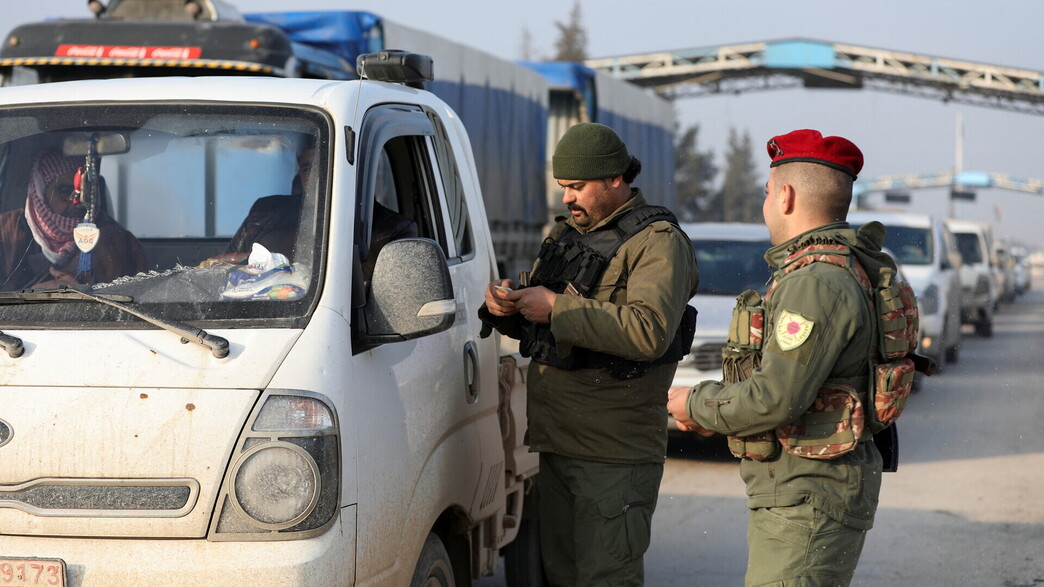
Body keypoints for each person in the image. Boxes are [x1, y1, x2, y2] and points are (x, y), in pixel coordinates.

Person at [667, 129, 901, 586]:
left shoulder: (815, 282)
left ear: (786, 195)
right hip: (804, 492)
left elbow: (775, 397)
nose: (766, 202)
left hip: (808, 497)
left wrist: (693, 403)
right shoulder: (826, 269)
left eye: (767, 192)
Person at [479, 122, 699, 586]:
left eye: (577, 187)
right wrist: (507, 306)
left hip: (614, 453)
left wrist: (558, 307)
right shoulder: (567, 235)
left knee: (605, 577)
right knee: (562, 574)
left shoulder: (657, 242)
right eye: (563, 188)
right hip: (559, 441)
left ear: (615, 178)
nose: (567, 199)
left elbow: (649, 331)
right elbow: (544, 321)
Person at [0, 149, 145, 291]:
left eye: (85, 193)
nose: (78, 202)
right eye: (64, 190)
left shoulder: (118, 241)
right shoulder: (5, 232)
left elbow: (136, 301)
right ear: (39, 192)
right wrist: (31, 296)